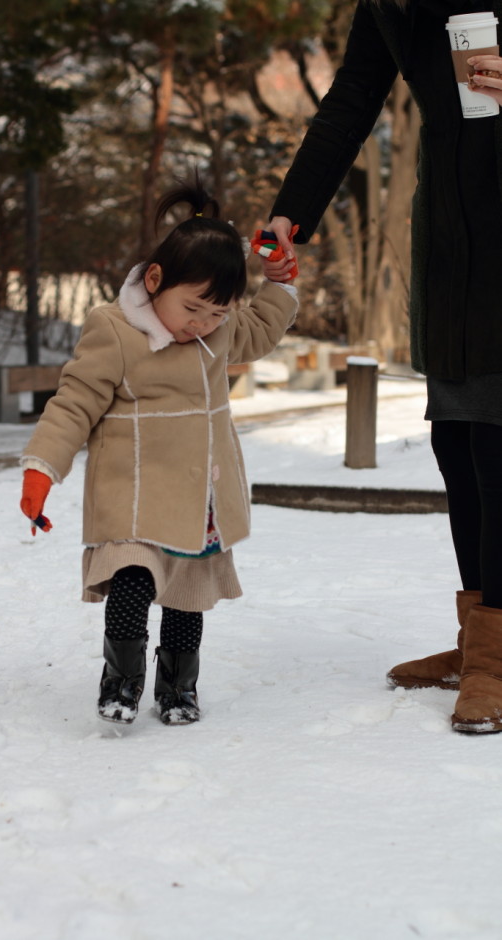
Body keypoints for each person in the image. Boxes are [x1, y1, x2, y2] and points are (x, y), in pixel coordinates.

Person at [262, 0, 502, 734]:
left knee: (495, 440)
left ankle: (494, 663)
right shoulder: (391, 6)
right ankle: (481, 642)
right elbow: (350, 103)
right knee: (457, 441)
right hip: (449, 232)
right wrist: (290, 213)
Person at [19, 175, 298, 726]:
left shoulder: (216, 332)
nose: (204, 323)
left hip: (199, 496)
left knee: (187, 600)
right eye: (194, 308)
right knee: (130, 584)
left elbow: (262, 327)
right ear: (154, 280)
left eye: (218, 314)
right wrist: (42, 468)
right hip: (133, 495)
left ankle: (178, 688)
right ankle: (120, 683)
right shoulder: (115, 330)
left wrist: (279, 281)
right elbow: (74, 401)